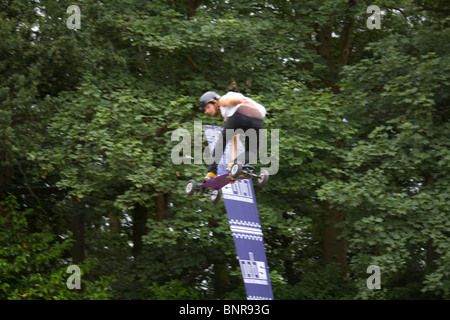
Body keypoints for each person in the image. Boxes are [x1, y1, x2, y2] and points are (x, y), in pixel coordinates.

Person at [198, 91, 266, 182]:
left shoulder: (222, 99)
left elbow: (226, 100)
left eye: (207, 107)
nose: (207, 111)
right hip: (258, 119)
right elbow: (235, 141)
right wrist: (234, 169)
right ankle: (238, 165)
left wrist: (236, 101)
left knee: (221, 142)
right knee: (252, 151)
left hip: (239, 113)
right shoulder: (229, 112)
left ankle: (211, 173)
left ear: (215, 102)